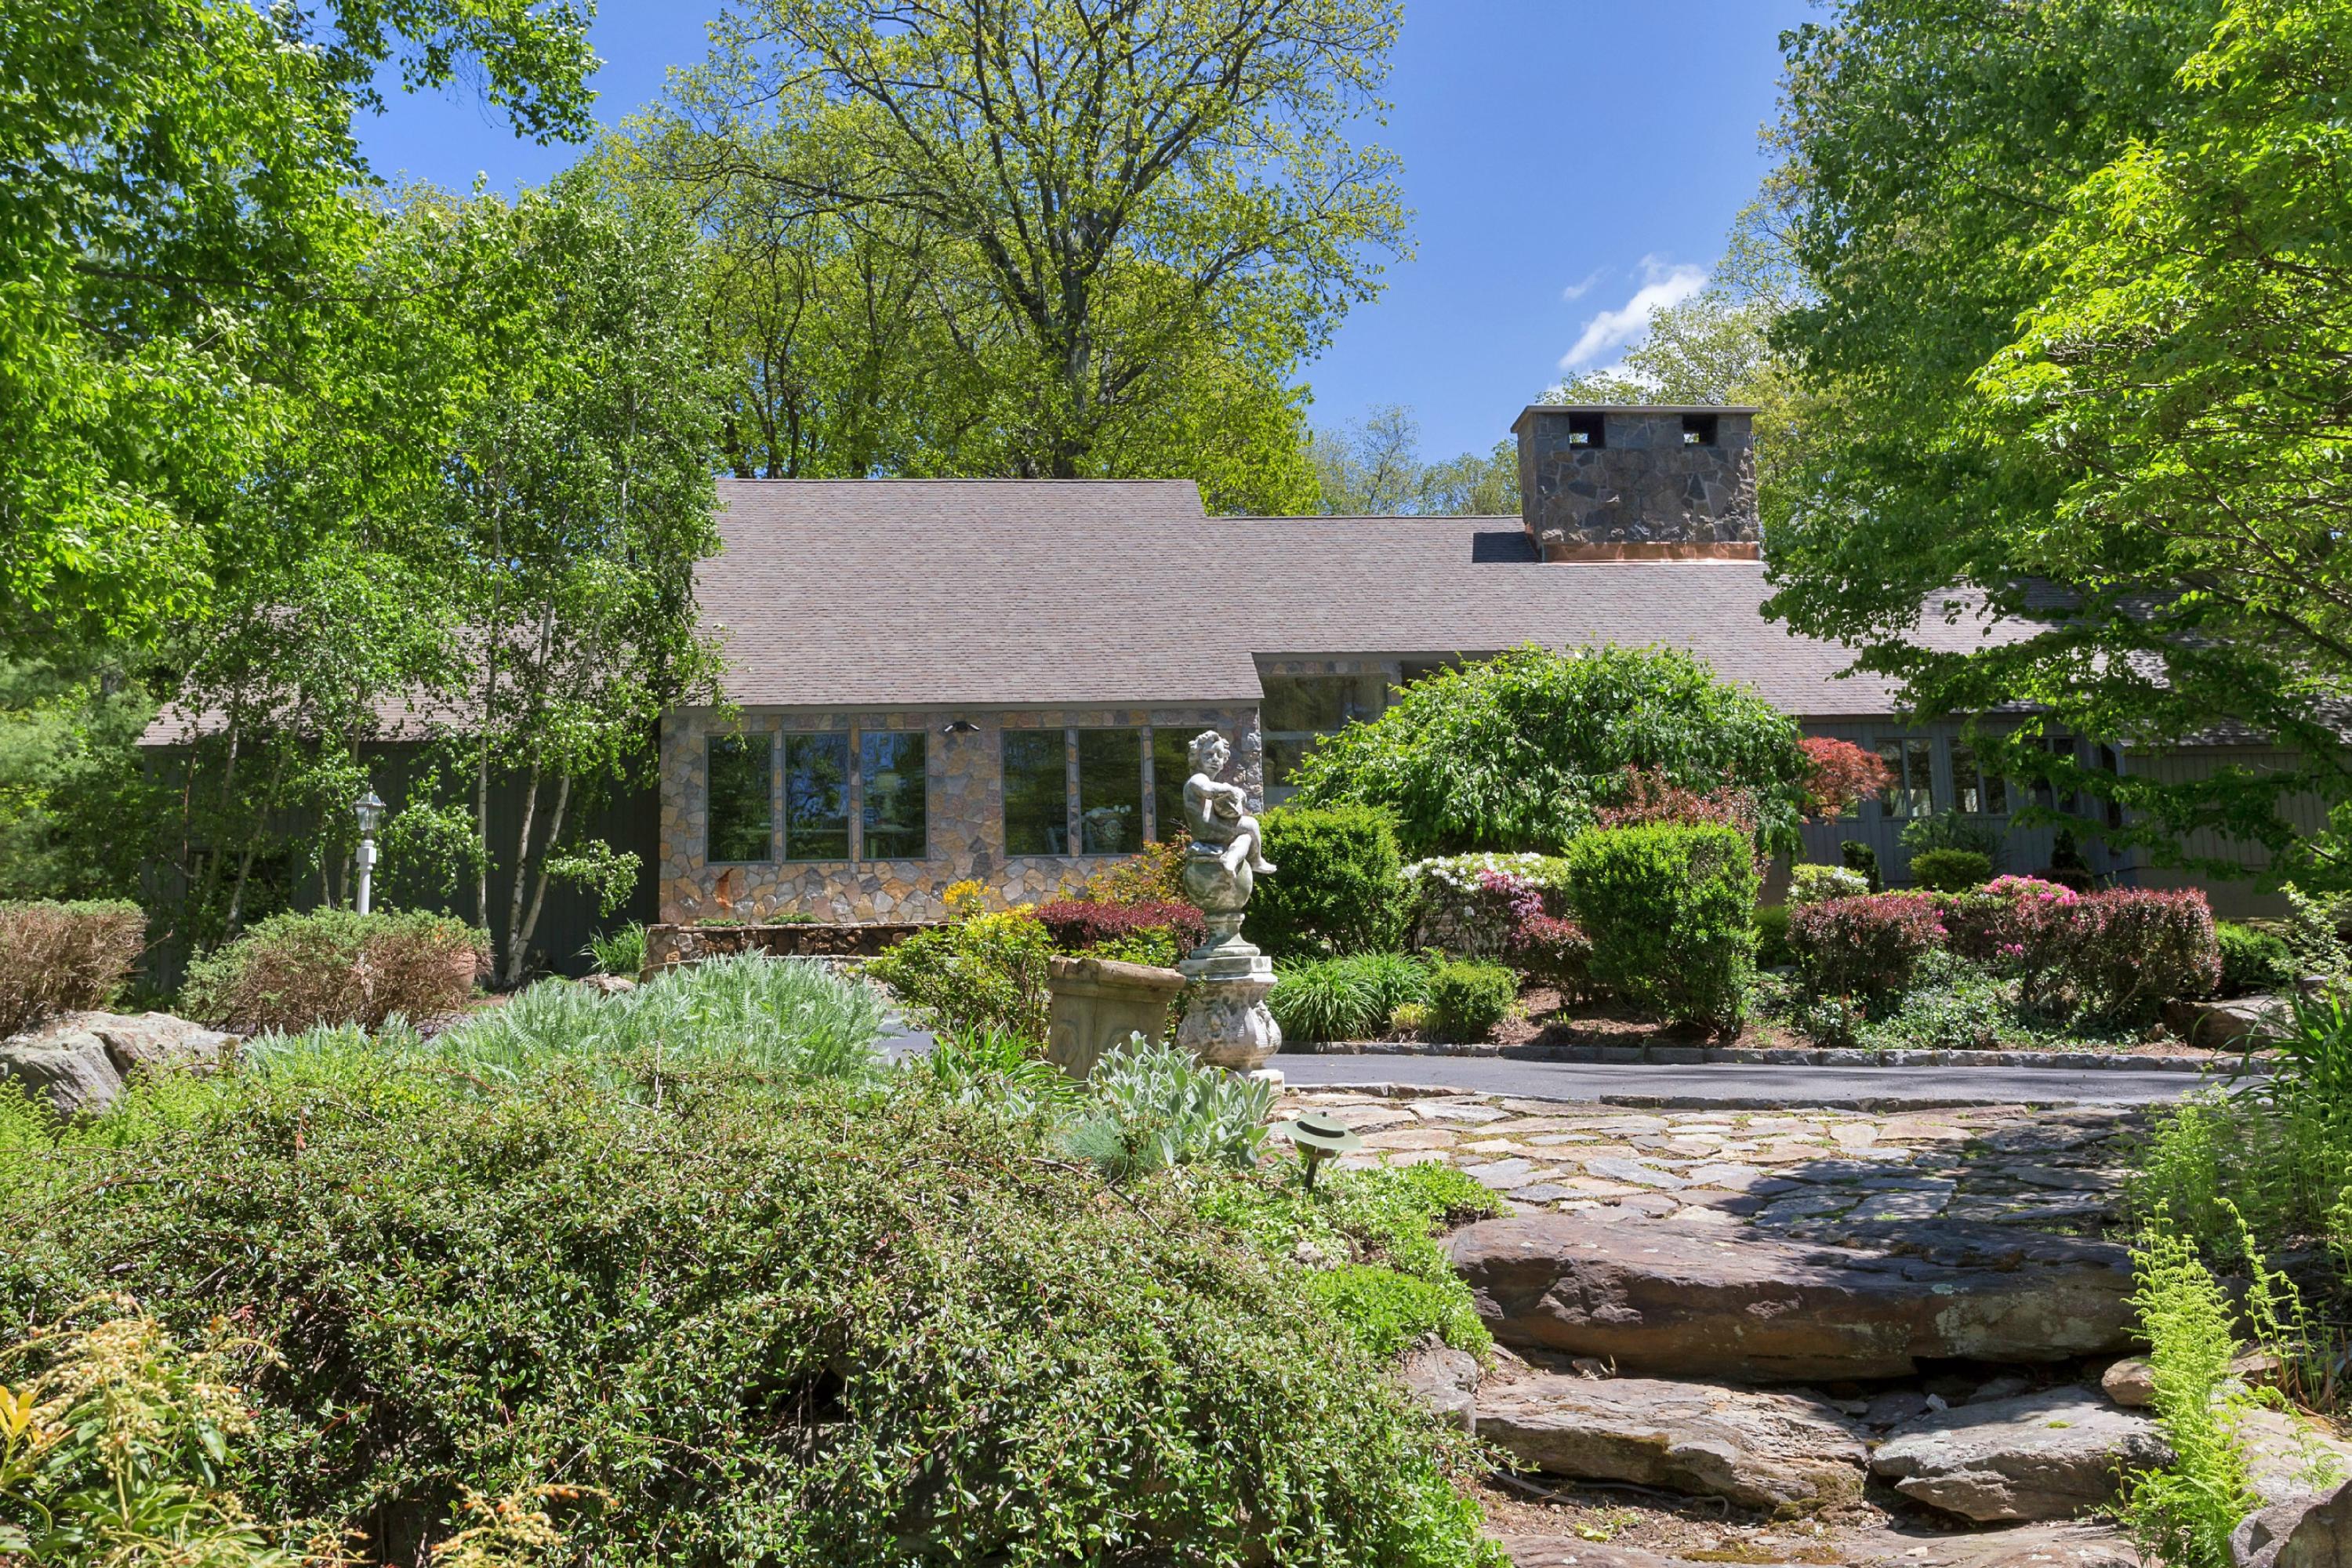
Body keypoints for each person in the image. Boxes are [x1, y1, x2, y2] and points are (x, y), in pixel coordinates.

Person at [1181, 730, 1276, 877]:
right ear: (1196, 757)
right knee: (1250, 825)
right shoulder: (1197, 778)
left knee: (1246, 838)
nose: (1215, 759)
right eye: (1209, 754)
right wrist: (1231, 790)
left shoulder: (1210, 781)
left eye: (1219, 755)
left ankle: (1231, 859)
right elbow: (1208, 790)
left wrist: (1236, 798)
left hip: (1211, 828)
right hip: (1206, 829)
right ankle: (1256, 861)